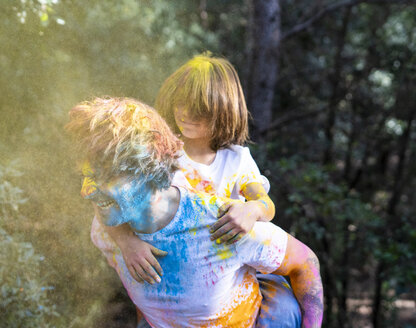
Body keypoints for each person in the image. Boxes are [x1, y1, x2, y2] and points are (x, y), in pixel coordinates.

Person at [67, 97, 323, 328]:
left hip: (256, 308)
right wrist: (125, 241)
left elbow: (305, 262)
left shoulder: (221, 223)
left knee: (284, 308)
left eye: (106, 178)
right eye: (85, 176)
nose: (85, 192)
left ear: (148, 170)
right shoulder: (108, 229)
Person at [93, 54, 301, 326]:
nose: (186, 114)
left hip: (232, 273)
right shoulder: (158, 156)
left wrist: (252, 209)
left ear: (223, 110)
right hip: (168, 275)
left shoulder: (236, 159)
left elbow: (266, 203)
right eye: (181, 103)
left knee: (285, 309)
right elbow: (108, 202)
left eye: (199, 109)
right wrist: (127, 242)